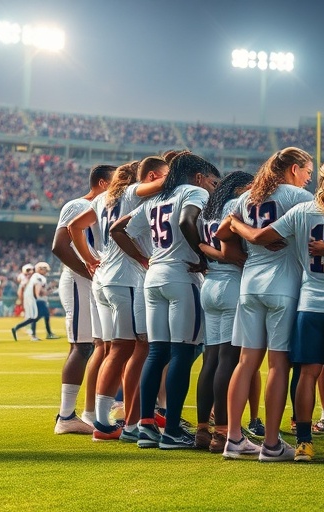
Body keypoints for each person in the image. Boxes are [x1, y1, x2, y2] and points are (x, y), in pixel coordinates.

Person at [230, 159, 324, 462]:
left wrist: (235, 222)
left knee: (307, 373)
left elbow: (257, 237)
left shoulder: (301, 211)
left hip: (309, 303)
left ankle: (304, 444)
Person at [112, 153, 220, 449]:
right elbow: (187, 220)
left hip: (154, 277)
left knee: (156, 353)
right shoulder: (193, 191)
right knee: (182, 355)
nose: (213, 188)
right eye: (211, 181)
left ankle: (146, 426)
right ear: (198, 177)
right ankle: (172, 429)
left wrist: (142, 258)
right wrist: (202, 255)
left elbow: (117, 230)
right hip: (181, 276)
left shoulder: (154, 201)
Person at [214, 147, 313, 461]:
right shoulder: (297, 197)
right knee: (278, 365)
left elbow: (221, 233)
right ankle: (271, 444)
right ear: (294, 169)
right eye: (307, 171)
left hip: (249, 286)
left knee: (246, 362)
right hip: (283, 285)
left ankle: (233, 438)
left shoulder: (246, 199)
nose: (309, 178)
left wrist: (244, 248)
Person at [67, 158, 168, 441]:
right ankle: (126, 422)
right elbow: (165, 183)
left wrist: (90, 259)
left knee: (117, 349)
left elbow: (75, 228)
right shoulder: (133, 192)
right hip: (127, 278)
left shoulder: (102, 201)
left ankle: (104, 421)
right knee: (138, 348)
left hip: (105, 278)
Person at [50, 164, 115, 434]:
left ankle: (82, 413)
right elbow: (59, 246)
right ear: (101, 183)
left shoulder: (100, 208)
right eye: (114, 182)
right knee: (83, 346)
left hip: (89, 281)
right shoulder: (78, 206)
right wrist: (88, 270)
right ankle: (66, 417)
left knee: (91, 345)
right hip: (79, 281)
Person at [195, 170, 254, 453]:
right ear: (241, 187)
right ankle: (223, 432)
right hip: (231, 283)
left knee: (211, 360)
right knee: (228, 360)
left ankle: (202, 430)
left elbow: (203, 245)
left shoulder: (208, 209)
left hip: (210, 284)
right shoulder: (234, 207)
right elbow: (233, 250)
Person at [12, 262, 54, 341]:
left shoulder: (34, 277)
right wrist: (49, 291)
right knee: (34, 317)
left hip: (31, 299)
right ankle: (33, 334)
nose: (46, 272)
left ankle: (20, 329)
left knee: (35, 317)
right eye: (45, 270)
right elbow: (38, 291)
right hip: (34, 299)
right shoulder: (38, 277)